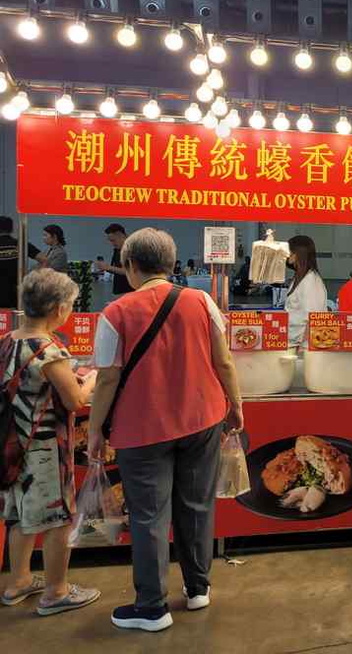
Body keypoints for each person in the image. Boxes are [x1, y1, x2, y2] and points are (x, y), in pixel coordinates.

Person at [87, 228, 243, 632]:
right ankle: (197, 588)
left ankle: (152, 607)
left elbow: (106, 379)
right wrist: (236, 407)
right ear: (171, 264)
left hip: (142, 429)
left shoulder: (116, 312)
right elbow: (224, 362)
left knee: (149, 516)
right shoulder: (201, 301)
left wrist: (94, 431)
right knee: (197, 504)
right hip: (203, 418)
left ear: (130, 266)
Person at [0, 269, 100, 615]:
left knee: (19, 515)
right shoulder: (48, 350)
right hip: (43, 448)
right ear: (58, 309)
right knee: (59, 520)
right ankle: (56, 592)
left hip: (14, 446)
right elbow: (75, 400)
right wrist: (93, 377)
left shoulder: (10, 339)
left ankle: (19, 582)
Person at [285, 235, 329, 348]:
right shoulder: (299, 278)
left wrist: (301, 348)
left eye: (288, 251)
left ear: (297, 253)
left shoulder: (311, 281)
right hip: (293, 341)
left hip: (303, 345)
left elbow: (313, 318)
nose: (285, 255)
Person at [0, 216, 40, 308]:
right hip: (16, 292)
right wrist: (31, 274)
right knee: (15, 320)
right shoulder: (20, 243)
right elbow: (44, 260)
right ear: (11, 229)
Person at [95, 223, 133, 295]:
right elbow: (117, 268)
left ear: (120, 235)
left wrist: (108, 267)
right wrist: (106, 268)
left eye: (113, 240)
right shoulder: (117, 249)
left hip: (129, 291)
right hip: (119, 291)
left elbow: (128, 271)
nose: (112, 243)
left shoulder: (131, 249)